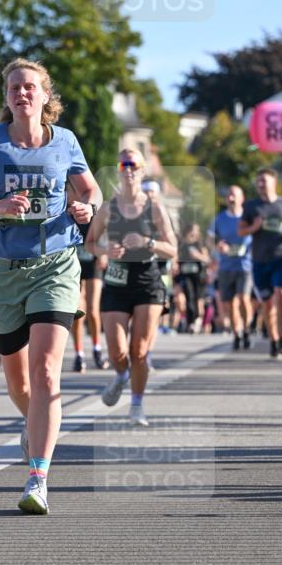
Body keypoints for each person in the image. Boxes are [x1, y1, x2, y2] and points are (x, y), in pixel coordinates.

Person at [0, 58, 101, 515]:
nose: (22, 93)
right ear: (7, 97)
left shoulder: (66, 142)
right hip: (0, 269)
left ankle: (38, 475)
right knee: (20, 382)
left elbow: (91, 190)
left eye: (30, 87)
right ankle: (32, 422)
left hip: (55, 263)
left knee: (46, 372)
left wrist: (85, 209)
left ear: (44, 96)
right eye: (15, 87)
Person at [86, 148, 177, 427]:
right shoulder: (108, 208)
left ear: (142, 170)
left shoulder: (154, 207)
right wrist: (105, 250)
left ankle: (136, 404)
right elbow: (89, 243)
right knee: (117, 352)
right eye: (123, 164)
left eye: (133, 165)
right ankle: (121, 374)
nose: (127, 169)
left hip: (147, 281)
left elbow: (172, 249)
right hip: (115, 281)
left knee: (139, 351)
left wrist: (148, 243)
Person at [239, 168, 282, 358]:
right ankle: (274, 340)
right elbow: (241, 231)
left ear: (273, 183)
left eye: (263, 181)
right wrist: (254, 227)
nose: (260, 185)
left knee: (281, 296)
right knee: (267, 304)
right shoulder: (251, 206)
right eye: (258, 182)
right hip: (260, 260)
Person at [209, 185, 253, 350]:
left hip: (245, 265)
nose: (231, 198)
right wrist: (218, 245)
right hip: (226, 266)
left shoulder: (248, 217)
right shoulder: (220, 219)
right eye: (229, 195)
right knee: (230, 304)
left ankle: (247, 328)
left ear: (242, 198)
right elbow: (210, 239)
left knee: (243, 299)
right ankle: (237, 334)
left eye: (234, 195)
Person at [71, 222, 108, 373]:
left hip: (93, 263)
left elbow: (105, 234)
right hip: (74, 262)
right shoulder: (67, 207)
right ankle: (79, 354)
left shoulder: (94, 209)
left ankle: (96, 349)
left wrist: (104, 254)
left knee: (93, 310)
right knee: (78, 312)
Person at [175, 222, 210, 333]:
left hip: (198, 276)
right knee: (188, 297)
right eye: (192, 232)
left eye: (196, 232)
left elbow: (207, 259)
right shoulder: (181, 244)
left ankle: (196, 320)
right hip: (185, 275)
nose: (194, 234)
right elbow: (175, 257)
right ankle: (191, 321)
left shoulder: (200, 244)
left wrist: (197, 256)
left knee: (197, 299)